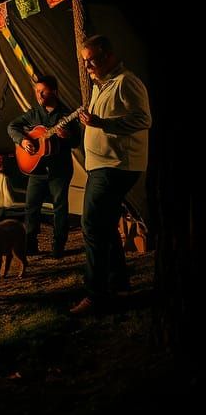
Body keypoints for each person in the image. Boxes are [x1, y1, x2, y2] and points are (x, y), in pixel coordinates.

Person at [71, 35, 152, 317]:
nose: (87, 66)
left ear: (106, 56)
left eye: (90, 60)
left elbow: (143, 119)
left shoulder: (127, 82)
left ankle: (96, 294)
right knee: (105, 227)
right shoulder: (100, 85)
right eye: (85, 62)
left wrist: (103, 124)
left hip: (117, 165)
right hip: (100, 163)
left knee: (92, 226)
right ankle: (119, 286)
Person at [8, 75, 79, 256]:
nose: (39, 95)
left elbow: (77, 141)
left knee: (59, 207)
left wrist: (67, 136)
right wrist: (23, 141)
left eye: (43, 91)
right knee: (31, 206)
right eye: (37, 91)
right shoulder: (34, 113)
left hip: (59, 169)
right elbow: (12, 126)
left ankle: (58, 245)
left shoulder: (66, 115)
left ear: (54, 91)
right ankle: (30, 244)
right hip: (36, 170)